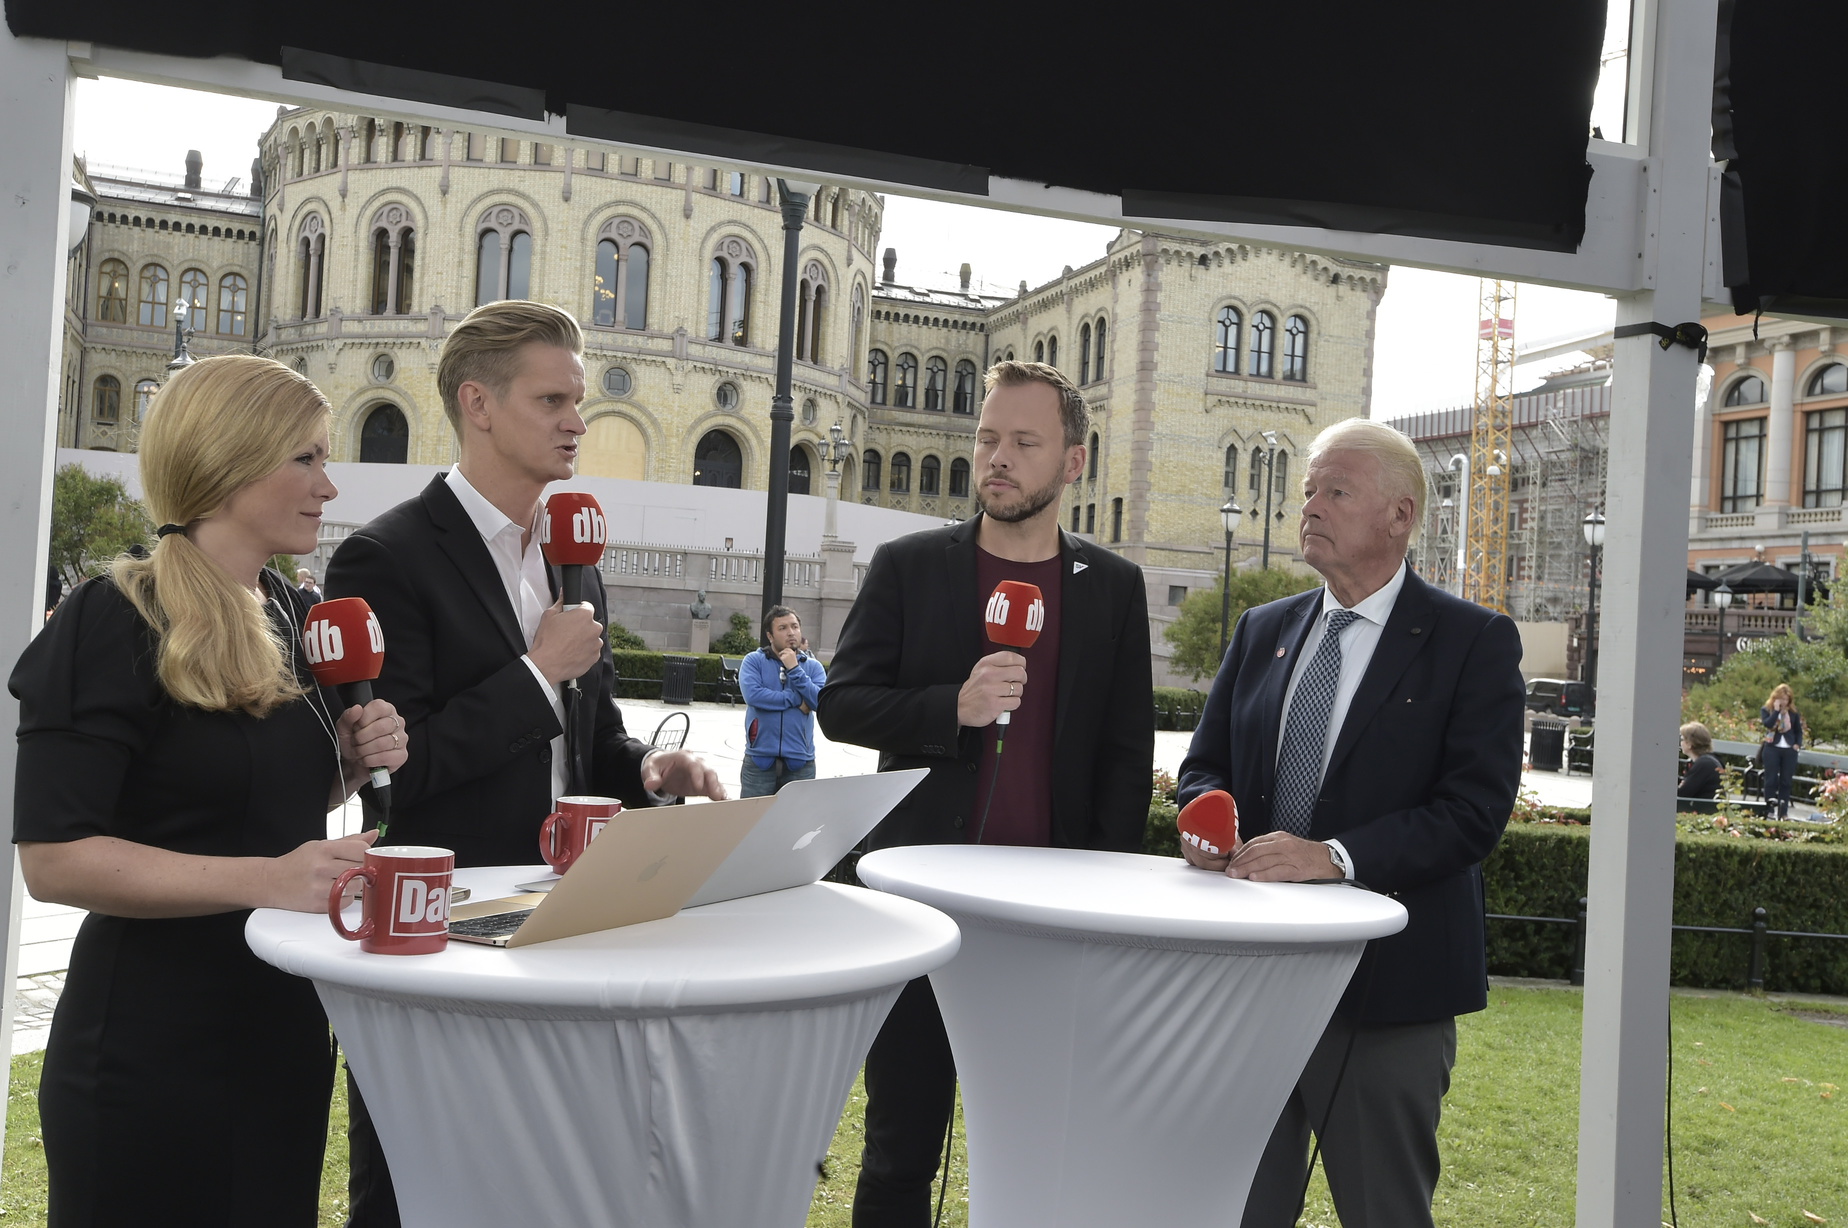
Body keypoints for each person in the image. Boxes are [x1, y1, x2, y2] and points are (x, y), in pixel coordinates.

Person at [325, 299, 724, 1226]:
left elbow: (593, 738)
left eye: (578, 401)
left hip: (571, 923)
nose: (578, 423)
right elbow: (396, 780)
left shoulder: (575, 555)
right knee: (410, 1187)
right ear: (479, 404)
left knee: (544, 1179)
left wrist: (652, 775)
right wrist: (536, 671)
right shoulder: (384, 558)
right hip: (443, 934)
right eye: (553, 400)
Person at [9, 355, 408, 1227]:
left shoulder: (294, 614)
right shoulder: (116, 616)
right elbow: (55, 859)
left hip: (280, 1034)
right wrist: (268, 879)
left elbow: (245, 807)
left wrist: (343, 767)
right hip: (150, 1052)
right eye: (305, 459)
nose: (328, 485)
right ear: (230, 461)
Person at [817, 359, 1154, 1226]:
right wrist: (950, 708)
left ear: (1074, 463)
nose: (997, 459)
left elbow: (1125, 755)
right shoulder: (910, 566)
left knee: (1052, 1147)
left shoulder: (1112, 589)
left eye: (1024, 443)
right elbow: (842, 703)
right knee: (901, 1148)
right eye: (987, 438)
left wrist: (1113, 904)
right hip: (921, 907)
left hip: (1055, 923)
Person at [1176, 417, 1523, 1228]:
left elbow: (1472, 814)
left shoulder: (1473, 642)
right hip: (1251, 983)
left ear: (1399, 517)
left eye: (1336, 491)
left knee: (1384, 1213)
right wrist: (1203, 818)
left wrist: (1331, 855)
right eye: (1308, 492)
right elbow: (1205, 767)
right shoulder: (1264, 629)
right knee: (1239, 1211)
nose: (1311, 508)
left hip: (1388, 994)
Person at [740, 605, 826, 797]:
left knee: (797, 824)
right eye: (783, 628)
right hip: (760, 758)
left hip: (800, 761)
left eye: (795, 627)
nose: (791, 633)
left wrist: (795, 669)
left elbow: (820, 702)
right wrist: (797, 699)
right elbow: (754, 696)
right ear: (770, 636)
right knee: (752, 821)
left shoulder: (813, 667)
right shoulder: (753, 661)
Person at [1759, 683, 1803, 819]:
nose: (1784, 702)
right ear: (1775, 698)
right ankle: (1769, 810)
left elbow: (1798, 731)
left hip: (1789, 749)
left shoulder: (1794, 713)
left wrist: (1797, 744)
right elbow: (1768, 724)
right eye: (1781, 698)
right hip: (1772, 748)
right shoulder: (1767, 710)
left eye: (1786, 699)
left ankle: (1783, 812)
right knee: (1770, 780)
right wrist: (1777, 711)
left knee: (1786, 781)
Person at [1678, 721, 1722, 813]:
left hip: (1705, 812)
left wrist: (1683, 784)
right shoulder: (1709, 760)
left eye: (1682, 739)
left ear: (1690, 743)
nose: (1680, 743)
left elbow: (1682, 793)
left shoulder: (1703, 764)